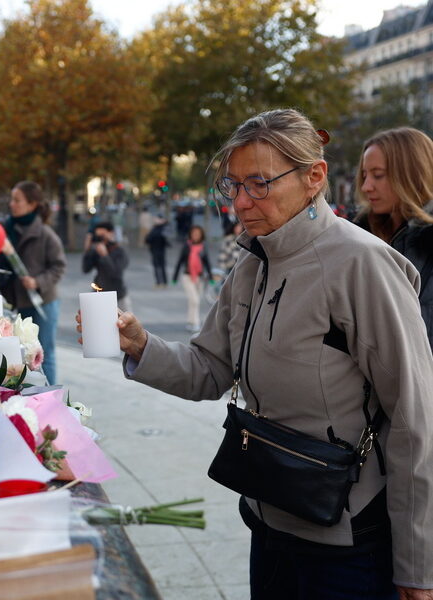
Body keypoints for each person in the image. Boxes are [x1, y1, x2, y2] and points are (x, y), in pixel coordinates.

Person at [77, 109, 433, 599]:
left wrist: (418, 567)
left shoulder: (362, 264)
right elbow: (209, 369)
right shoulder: (252, 259)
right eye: (233, 185)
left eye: (260, 183)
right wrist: (139, 343)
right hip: (269, 516)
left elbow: (416, 418)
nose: (241, 202)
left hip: (347, 541)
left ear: (314, 177)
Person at [355, 127, 433, 350]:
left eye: (378, 175)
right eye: (364, 175)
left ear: (413, 173)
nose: (366, 186)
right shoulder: (359, 238)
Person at [0, 181, 66, 384]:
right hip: (18, 301)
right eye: (12, 199)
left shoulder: (45, 234)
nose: (12, 204)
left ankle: (50, 398)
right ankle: (32, 395)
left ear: (32, 205)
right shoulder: (6, 230)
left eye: (17, 200)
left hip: (43, 303)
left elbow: (59, 267)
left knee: (44, 354)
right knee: (25, 354)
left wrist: (37, 281)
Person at [82, 221, 131, 312]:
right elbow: (85, 269)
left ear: (111, 233)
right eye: (98, 236)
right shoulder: (96, 250)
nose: (101, 239)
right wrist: (87, 250)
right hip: (99, 294)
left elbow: (116, 273)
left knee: (124, 324)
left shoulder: (119, 251)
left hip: (118, 295)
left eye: (103, 235)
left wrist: (105, 256)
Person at [172, 224, 212, 332]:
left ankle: (190, 321)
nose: (196, 236)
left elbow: (207, 262)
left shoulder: (203, 247)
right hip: (187, 276)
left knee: (194, 301)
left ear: (201, 235)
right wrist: (174, 277)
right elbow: (180, 261)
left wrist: (211, 278)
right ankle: (196, 323)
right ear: (190, 235)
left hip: (200, 278)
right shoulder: (187, 246)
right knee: (195, 300)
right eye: (194, 234)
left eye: (198, 234)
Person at [145, 215, 170, 287]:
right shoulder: (160, 229)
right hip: (158, 250)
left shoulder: (158, 229)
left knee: (158, 267)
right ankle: (162, 282)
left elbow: (148, 239)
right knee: (160, 267)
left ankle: (160, 282)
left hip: (157, 250)